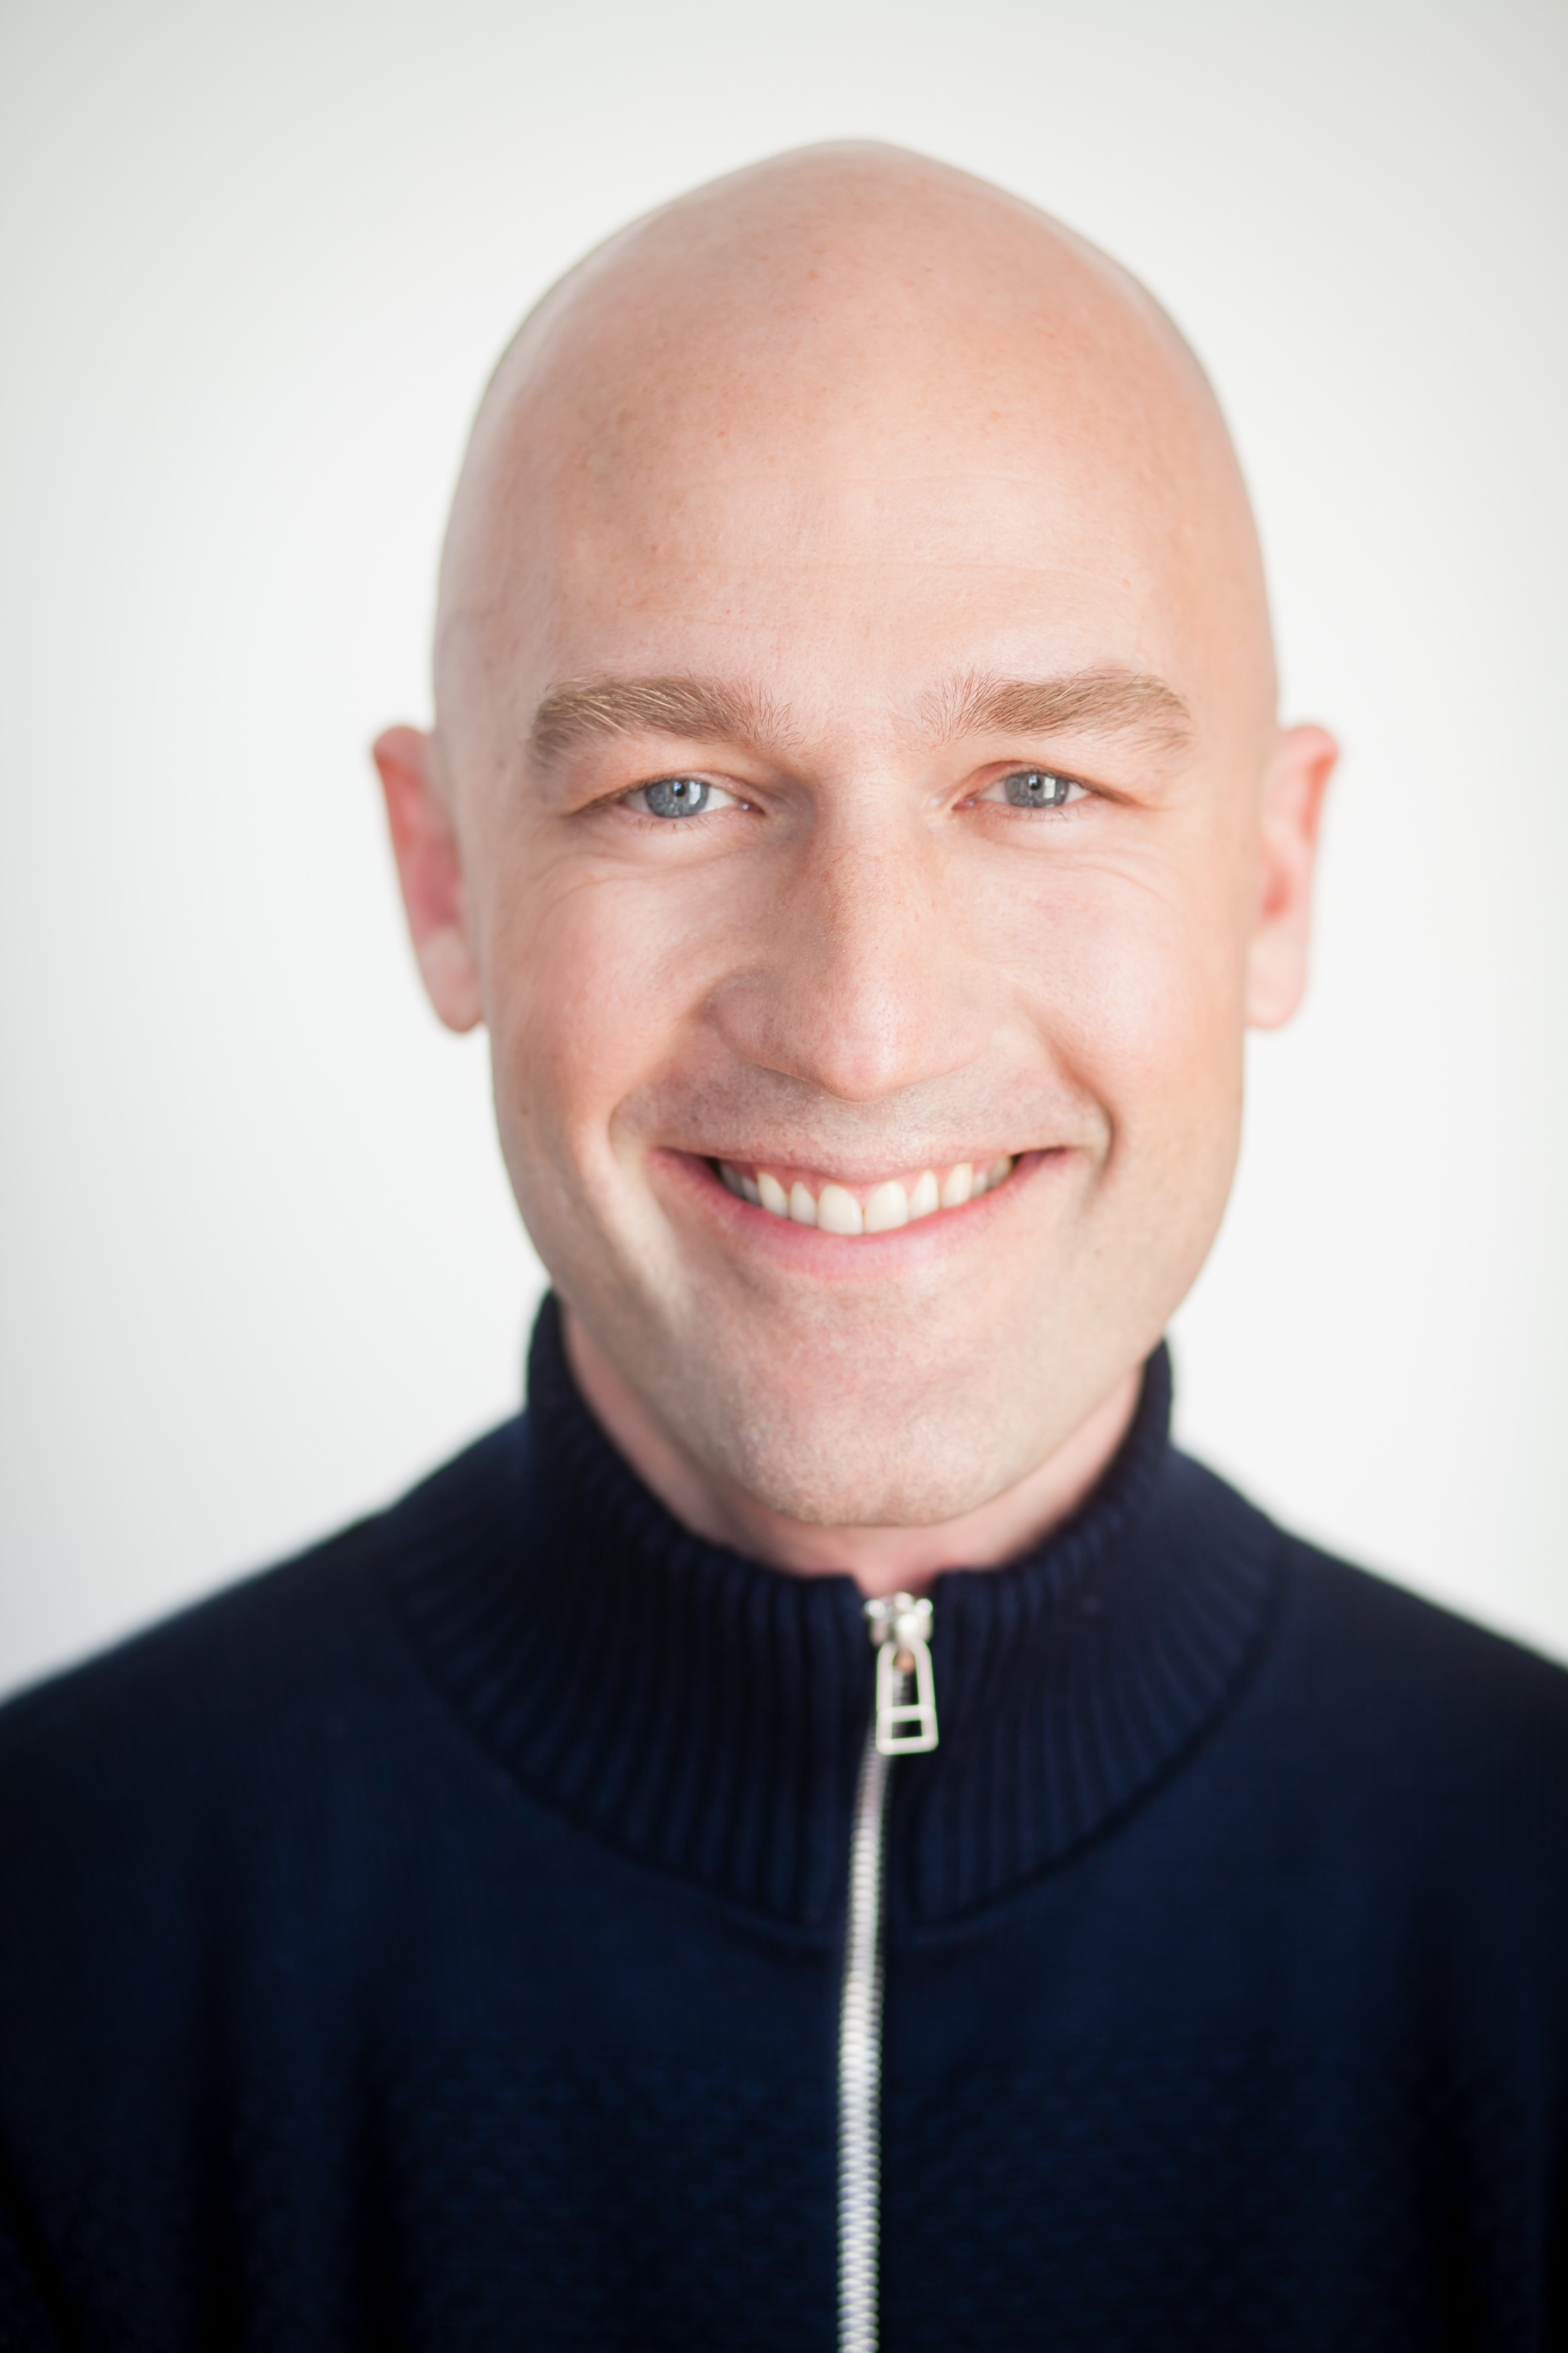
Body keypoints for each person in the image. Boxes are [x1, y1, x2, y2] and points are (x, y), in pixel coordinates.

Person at [1, 143, 1563, 2352]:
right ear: (445, 881)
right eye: (678, 790)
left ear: (1272, 882)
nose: (861, 1024)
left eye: (1038, 784)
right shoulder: (44, 1946)